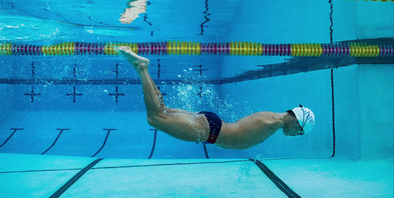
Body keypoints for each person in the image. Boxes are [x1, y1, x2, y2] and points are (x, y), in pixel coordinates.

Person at [118, 46, 316, 149]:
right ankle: (142, 68)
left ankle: (143, 68)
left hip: (211, 127)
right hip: (208, 130)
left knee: (162, 111)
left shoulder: (275, 120)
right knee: (155, 118)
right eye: (300, 132)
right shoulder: (274, 121)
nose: (295, 135)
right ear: (298, 123)